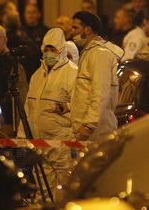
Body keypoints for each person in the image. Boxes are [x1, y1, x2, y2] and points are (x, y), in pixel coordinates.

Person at [21, 28, 78, 200]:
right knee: (42, 192)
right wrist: (22, 135)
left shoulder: (72, 73)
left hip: (61, 144)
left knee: (62, 192)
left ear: (62, 50)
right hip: (40, 144)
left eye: (53, 49)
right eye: (46, 49)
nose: (49, 53)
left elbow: (80, 105)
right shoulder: (37, 75)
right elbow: (28, 107)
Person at [70, 11, 119, 142]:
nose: (72, 32)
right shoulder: (88, 53)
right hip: (89, 129)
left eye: (76, 28)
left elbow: (101, 93)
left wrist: (89, 125)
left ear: (87, 30)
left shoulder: (98, 54)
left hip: (98, 130)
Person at [2, 12, 38, 81]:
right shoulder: (24, 35)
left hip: (16, 71)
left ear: (5, 24)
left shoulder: (6, 38)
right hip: (29, 70)